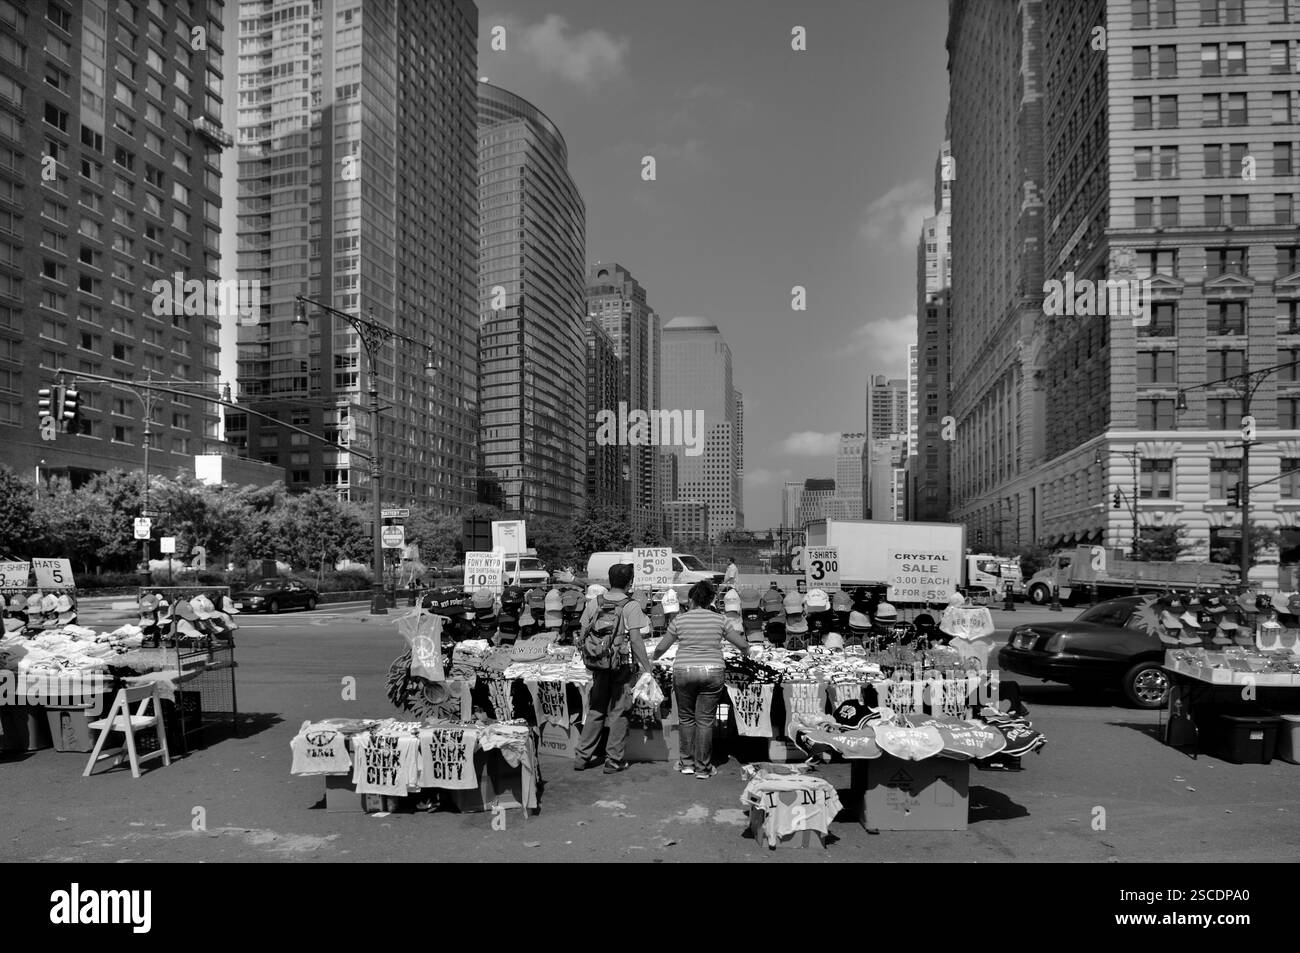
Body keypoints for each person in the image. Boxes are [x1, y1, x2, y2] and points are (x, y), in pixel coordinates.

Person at [652, 580, 750, 779]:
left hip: (684, 670)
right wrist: (746, 652)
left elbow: (662, 647)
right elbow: (741, 643)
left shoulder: (680, 620)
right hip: (713, 671)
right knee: (705, 721)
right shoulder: (720, 620)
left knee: (686, 719)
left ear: (691, 600)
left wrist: (653, 658)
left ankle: (686, 763)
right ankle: (703, 768)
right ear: (712, 599)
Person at [573, 562, 654, 774]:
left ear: (609, 581)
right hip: (622, 666)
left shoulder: (595, 602)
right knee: (619, 711)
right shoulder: (631, 605)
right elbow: (636, 641)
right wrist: (647, 668)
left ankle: (581, 757)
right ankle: (613, 760)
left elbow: (582, 634)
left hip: (599, 664)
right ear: (630, 582)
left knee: (596, 709)